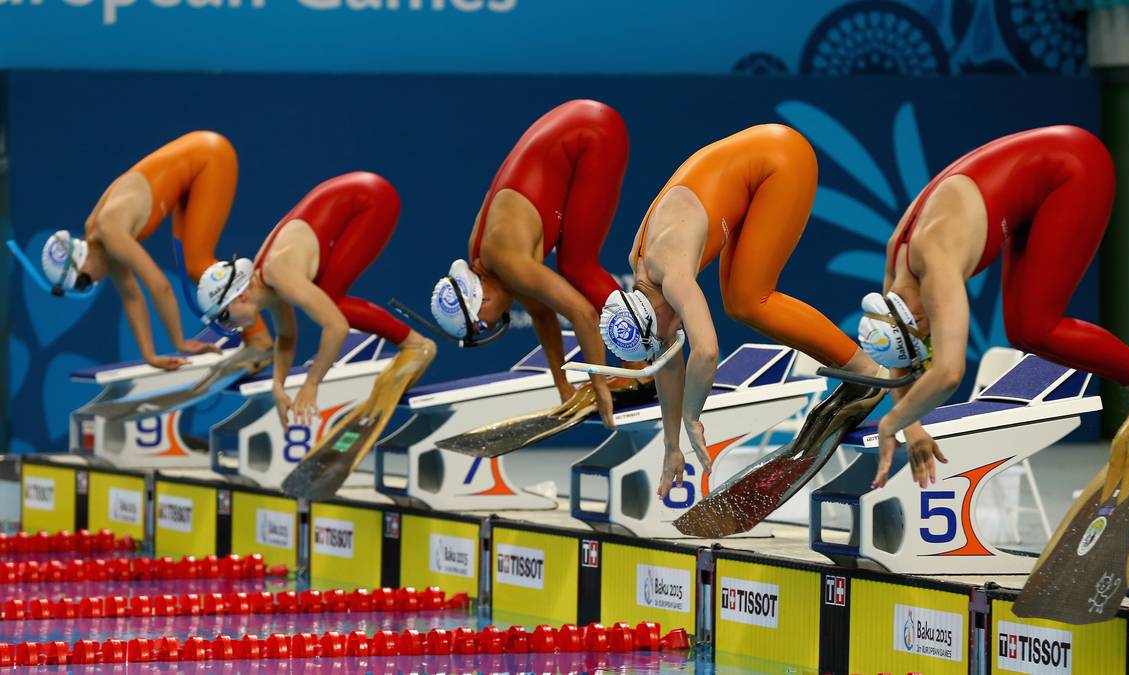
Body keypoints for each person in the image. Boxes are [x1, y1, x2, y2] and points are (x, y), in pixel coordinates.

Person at [861, 125, 1129, 489]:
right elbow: (904, 362)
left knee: (1040, 327)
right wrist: (914, 426)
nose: (928, 339)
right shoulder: (896, 275)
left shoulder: (934, 263)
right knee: (1024, 331)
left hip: (1073, 165)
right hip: (1036, 183)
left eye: (924, 337)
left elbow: (948, 374)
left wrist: (892, 422)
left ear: (917, 318)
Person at [602, 124, 886, 498]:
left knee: (752, 301)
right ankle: (857, 369)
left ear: (650, 316)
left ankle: (866, 369)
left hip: (781, 160)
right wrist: (672, 446)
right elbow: (669, 360)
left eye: (660, 339)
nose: (669, 341)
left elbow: (706, 351)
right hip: (754, 170)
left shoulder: (670, 271)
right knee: (739, 304)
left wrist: (692, 417)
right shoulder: (647, 283)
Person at [430, 99, 630, 427]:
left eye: (483, 324)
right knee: (572, 264)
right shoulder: (488, 265)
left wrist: (599, 385)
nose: (493, 326)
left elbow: (583, 314)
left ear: (483, 300)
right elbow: (542, 313)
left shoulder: (506, 261)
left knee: (579, 267)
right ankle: (632, 362)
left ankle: (636, 365)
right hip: (575, 126)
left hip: (592, 132)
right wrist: (563, 387)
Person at [198, 172, 434, 427]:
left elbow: (337, 327)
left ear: (240, 296)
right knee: (329, 297)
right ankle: (411, 344)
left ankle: (416, 345)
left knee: (332, 303)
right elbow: (287, 337)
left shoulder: (280, 274)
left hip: (371, 199)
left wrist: (312, 384)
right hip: (355, 195)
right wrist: (278, 385)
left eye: (223, 315)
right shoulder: (266, 286)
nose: (227, 325)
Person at [33, 131, 270, 368]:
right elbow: (131, 296)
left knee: (197, 263)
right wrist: (150, 356)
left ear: (81, 261)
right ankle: (255, 338)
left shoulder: (109, 231)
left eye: (84, 281)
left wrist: (180, 342)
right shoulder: (101, 241)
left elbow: (160, 286)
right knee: (192, 263)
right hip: (194, 170)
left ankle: (259, 340)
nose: (94, 282)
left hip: (210, 157)